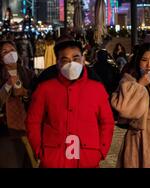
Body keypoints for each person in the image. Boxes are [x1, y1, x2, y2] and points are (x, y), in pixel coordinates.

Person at [26, 38, 115, 168]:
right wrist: (39, 150)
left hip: (87, 158)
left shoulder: (97, 89)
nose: (71, 63)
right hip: (54, 158)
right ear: (57, 63)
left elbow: (107, 122)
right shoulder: (45, 89)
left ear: (83, 60)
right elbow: (33, 121)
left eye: (75, 58)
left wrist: (101, 151)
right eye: (65, 60)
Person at [0, 41, 35, 167]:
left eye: (12, 50)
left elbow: (36, 98)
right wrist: (8, 85)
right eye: (5, 51)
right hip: (6, 130)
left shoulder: (29, 74)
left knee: (28, 162)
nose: (9, 53)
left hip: (27, 126)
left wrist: (25, 93)